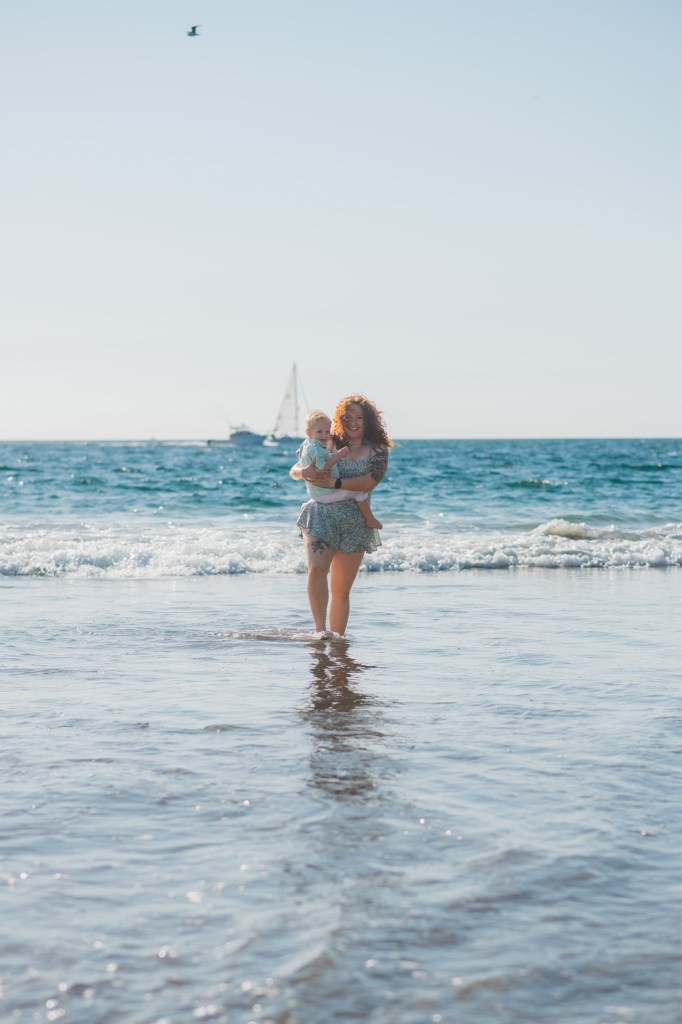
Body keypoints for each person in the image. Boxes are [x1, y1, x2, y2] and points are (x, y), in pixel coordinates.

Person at [290, 395, 391, 636]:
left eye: (359, 418)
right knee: (316, 569)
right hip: (320, 515)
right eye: (348, 418)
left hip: (355, 522)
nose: (353, 422)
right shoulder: (326, 440)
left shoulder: (377, 451)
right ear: (340, 420)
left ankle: (337, 640)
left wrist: (334, 482)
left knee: (341, 589)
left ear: (368, 421)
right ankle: (319, 632)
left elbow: (369, 481)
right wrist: (304, 471)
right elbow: (294, 470)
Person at [299, 409, 382, 530]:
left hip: (315, 493)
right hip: (325, 494)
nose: (324, 435)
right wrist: (339, 455)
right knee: (360, 492)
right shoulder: (317, 449)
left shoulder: (306, 444)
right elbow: (322, 468)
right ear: (308, 432)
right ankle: (370, 519)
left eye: (327, 431)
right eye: (320, 432)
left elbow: (299, 454)